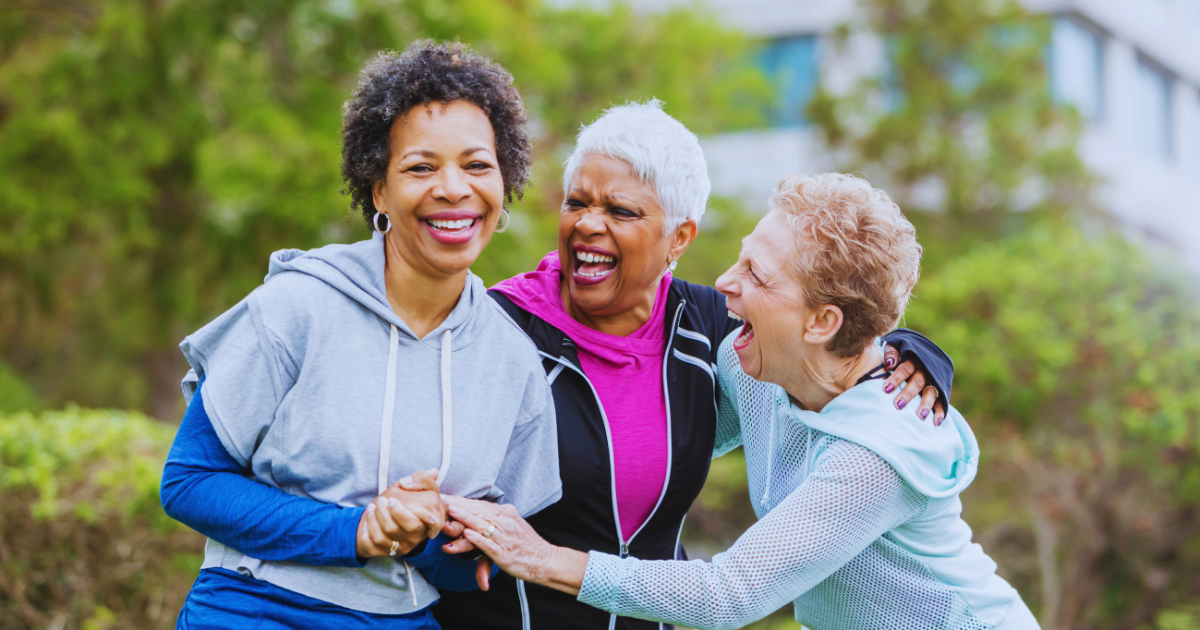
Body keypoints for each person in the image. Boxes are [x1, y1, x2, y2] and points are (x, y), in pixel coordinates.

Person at [433, 103, 955, 630]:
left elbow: (730, 593)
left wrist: (911, 350)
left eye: (621, 211)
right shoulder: (493, 328)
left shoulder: (716, 334)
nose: (588, 223)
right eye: (576, 202)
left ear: (680, 237)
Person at [159, 41, 561, 629]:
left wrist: (423, 535)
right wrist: (359, 530)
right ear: (379, 192)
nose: (454, 189)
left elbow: (473, 569)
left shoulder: (513, 363)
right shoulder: (295, 307)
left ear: (505, 182)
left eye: (477, 165)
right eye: (421, 167)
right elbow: (189, 481)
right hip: (252, 611)